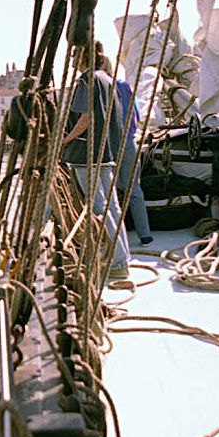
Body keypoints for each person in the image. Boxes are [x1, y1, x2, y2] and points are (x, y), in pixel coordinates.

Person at [61, 42, 132, 280]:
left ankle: (118, 263)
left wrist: (65, 141)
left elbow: (86, 119)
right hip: (106, 153)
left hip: (86, 155)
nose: (71, 61)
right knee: (113, 206)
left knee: (98, 207)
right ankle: (124, 256)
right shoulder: (107, 79)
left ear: (81, 57)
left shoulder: (85, 81)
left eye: (73, 56)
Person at [98, 51, 154, 248]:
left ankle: (114, 237)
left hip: (108, 145)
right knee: (133, 188)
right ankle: (145, 235)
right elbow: (135, 117)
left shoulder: (97, 86)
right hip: (129, 142)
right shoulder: (122, 86)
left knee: (108, 191)